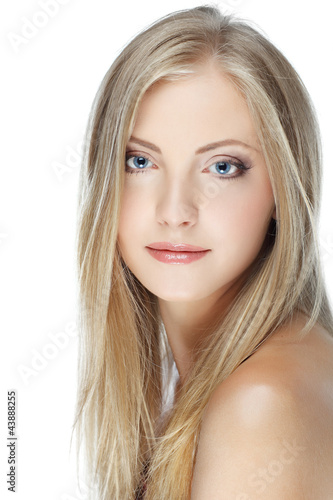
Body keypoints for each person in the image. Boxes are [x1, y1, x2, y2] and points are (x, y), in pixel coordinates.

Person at [73, 5, 333, 499]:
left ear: (284, 187)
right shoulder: (249, 381)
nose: (174, 211)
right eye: (140, 160)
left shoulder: (262, 405)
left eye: (222, 168)